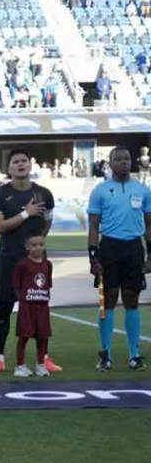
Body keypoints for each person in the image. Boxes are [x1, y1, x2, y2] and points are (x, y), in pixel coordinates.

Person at [0, 149, 57, 374]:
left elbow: (47, 223)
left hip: (36, 263)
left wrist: (36, 247)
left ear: (30, 164)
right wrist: (26, 214)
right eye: (15, 162)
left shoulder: (44, 193)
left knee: (39, 308)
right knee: (5, 307)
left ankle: (43, 358)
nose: (20, 164)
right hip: (10, 259)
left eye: (24, 160)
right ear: (9, 168)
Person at [88, 145, 151, 371]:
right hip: (110, 248)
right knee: (109, 300)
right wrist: (93, 256)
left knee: (132, 300)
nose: (124, 162)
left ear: (131, 161)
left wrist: (150, 253)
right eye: (118, 159)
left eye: (127, 158)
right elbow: (94, 225)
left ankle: (134, 355)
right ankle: (105, 354)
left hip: (134, 248)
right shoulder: (101, 190)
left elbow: (149, 224)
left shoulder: (142, 190)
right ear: (111, 162)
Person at [12, 235, 53, 377]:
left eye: (41, 244)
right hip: (27, 307)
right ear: (27, 247)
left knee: (42, 336)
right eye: (34, 245)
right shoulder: (22, 265)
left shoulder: (48, 265)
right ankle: (20, 366)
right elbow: (17, 286)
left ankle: (40, 365)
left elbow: (48, 285)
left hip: (42, 307)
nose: (38, 247)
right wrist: (24, 301)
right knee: (24, 336)